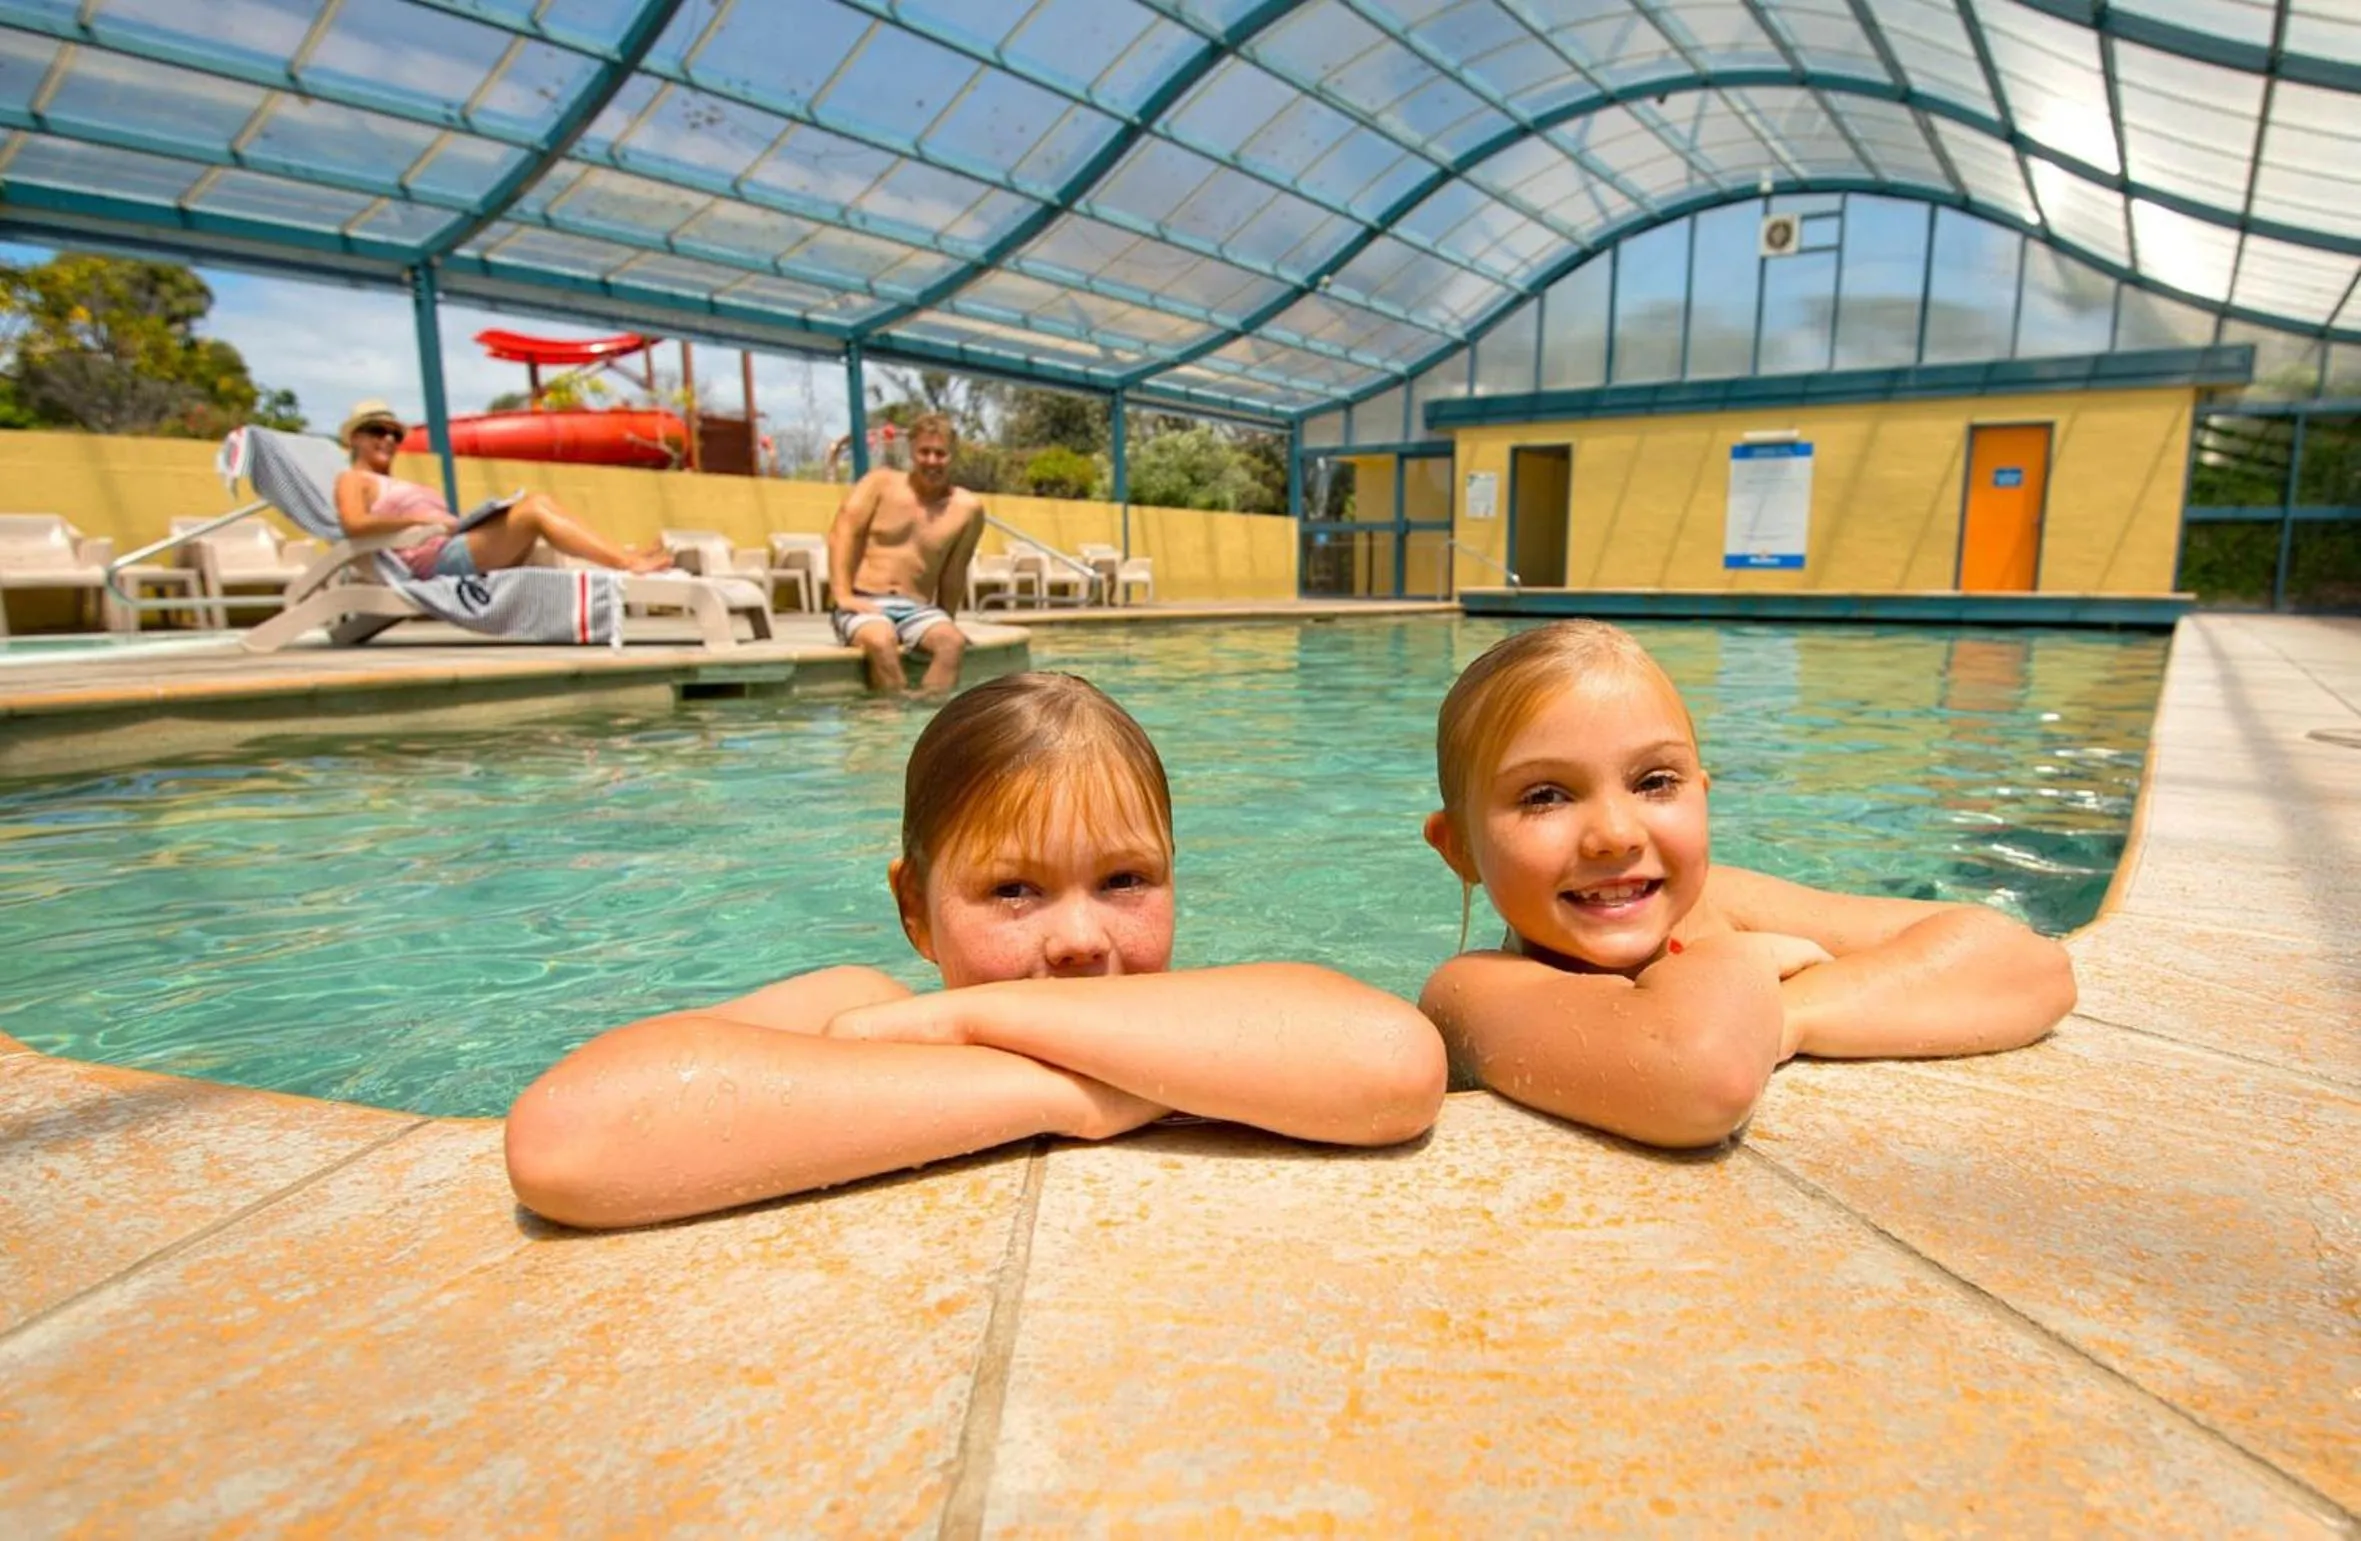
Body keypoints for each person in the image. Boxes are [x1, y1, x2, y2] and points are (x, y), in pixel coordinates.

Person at [506, 672, 1447, 1229]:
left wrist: (968, 1015)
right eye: (1011, 890)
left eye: (1125, 880)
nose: (1081, 939)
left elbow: (1394, 1064)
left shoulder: (1198, 1023)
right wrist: (1063, 1096)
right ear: (915, 908)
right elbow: (569, 1137)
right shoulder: (864, 1001)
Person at [1418, 620, 2075, 1149]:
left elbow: (2027, 964)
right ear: (1461, 848)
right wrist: (1748, 962)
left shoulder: (1720, 901)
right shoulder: (1469, 991)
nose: (1615, 833)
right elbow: (1695, 1079)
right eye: (1544, 794)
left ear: (1701, 799)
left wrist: (1787, 1014)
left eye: (1654, 782)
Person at [331, 399, 674, 580]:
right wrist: (415, 518)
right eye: (377, 430)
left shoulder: (396, 481)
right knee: (535, 510)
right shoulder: (353, 479)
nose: (388, 439)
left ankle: (625, 557)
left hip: (454, 543)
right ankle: (626, 562)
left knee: (539, 500)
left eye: (395, 433)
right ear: (356, 437)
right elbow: (353, 525)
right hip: (435, 561)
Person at [825, 412, 983, 694]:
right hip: (865, 599)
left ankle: (930, 722)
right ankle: (894, 725)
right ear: (911, 450)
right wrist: (843, 596)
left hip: (917, 608)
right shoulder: (879, 484)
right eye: (924, 452)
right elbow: (841, 534)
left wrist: (946, 621)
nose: (932, 461)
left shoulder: (967, 509)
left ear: (952, 455)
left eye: (940, 453)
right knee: (881, 641)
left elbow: (954, 572)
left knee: (951, 643)